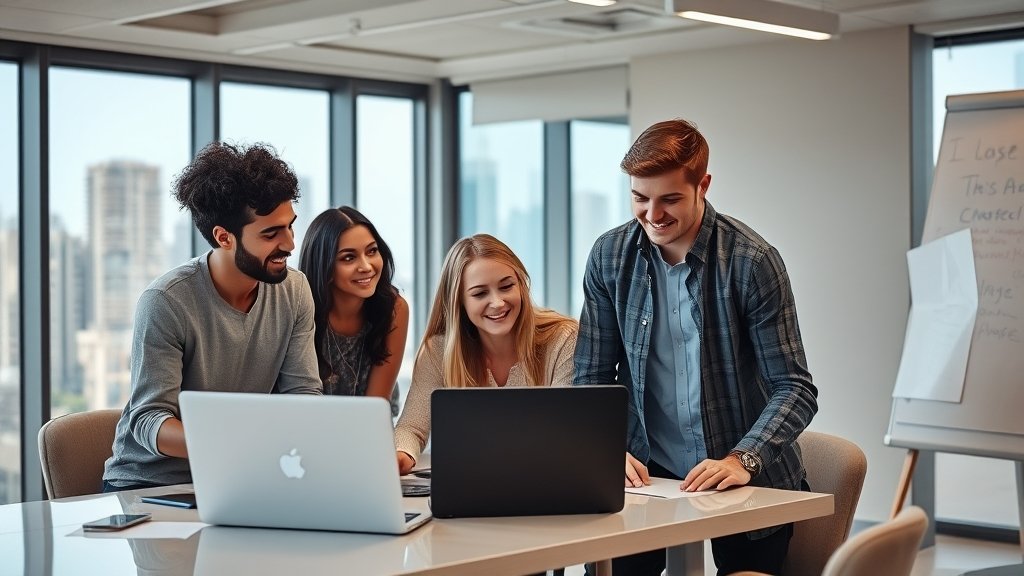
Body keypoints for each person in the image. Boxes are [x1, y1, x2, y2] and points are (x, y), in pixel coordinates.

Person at [573, 119, 818, 575]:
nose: (653, 215)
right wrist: (603, 446)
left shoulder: (751, 262)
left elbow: (795, 387)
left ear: (702, 185)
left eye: (669, 199)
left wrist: (744, 458)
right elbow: (589, 376)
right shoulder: (609, 257)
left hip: (743, 474)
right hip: (643, 474)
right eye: (640, 199)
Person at [102, 142, 322, 491]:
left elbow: (303, 393)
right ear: (224, 237)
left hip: (242, 478)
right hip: (152, 485)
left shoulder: (294, 291)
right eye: (271, 233)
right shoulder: (166, 301)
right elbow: (148, 420)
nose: (290, 244)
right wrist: (240, 448)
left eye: (290, 226)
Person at [394, 234, 578, 474]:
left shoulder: (562, 338)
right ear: (459, 302)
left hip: (544, 479)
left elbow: (563, 432)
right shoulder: (438, 350)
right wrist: (401, 455)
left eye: (506, 286)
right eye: (480, 293)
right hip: (470, 484)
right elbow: (412, 427)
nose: (498, 303)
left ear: (521, 285)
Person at [298, 206, 408, 415]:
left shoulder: (394, 309)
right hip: (308, 430)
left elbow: (375, 407)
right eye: (349, 258)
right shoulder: (300, 310)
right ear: (325, 266)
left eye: (372, 251)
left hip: (370, 426)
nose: (366, 266)